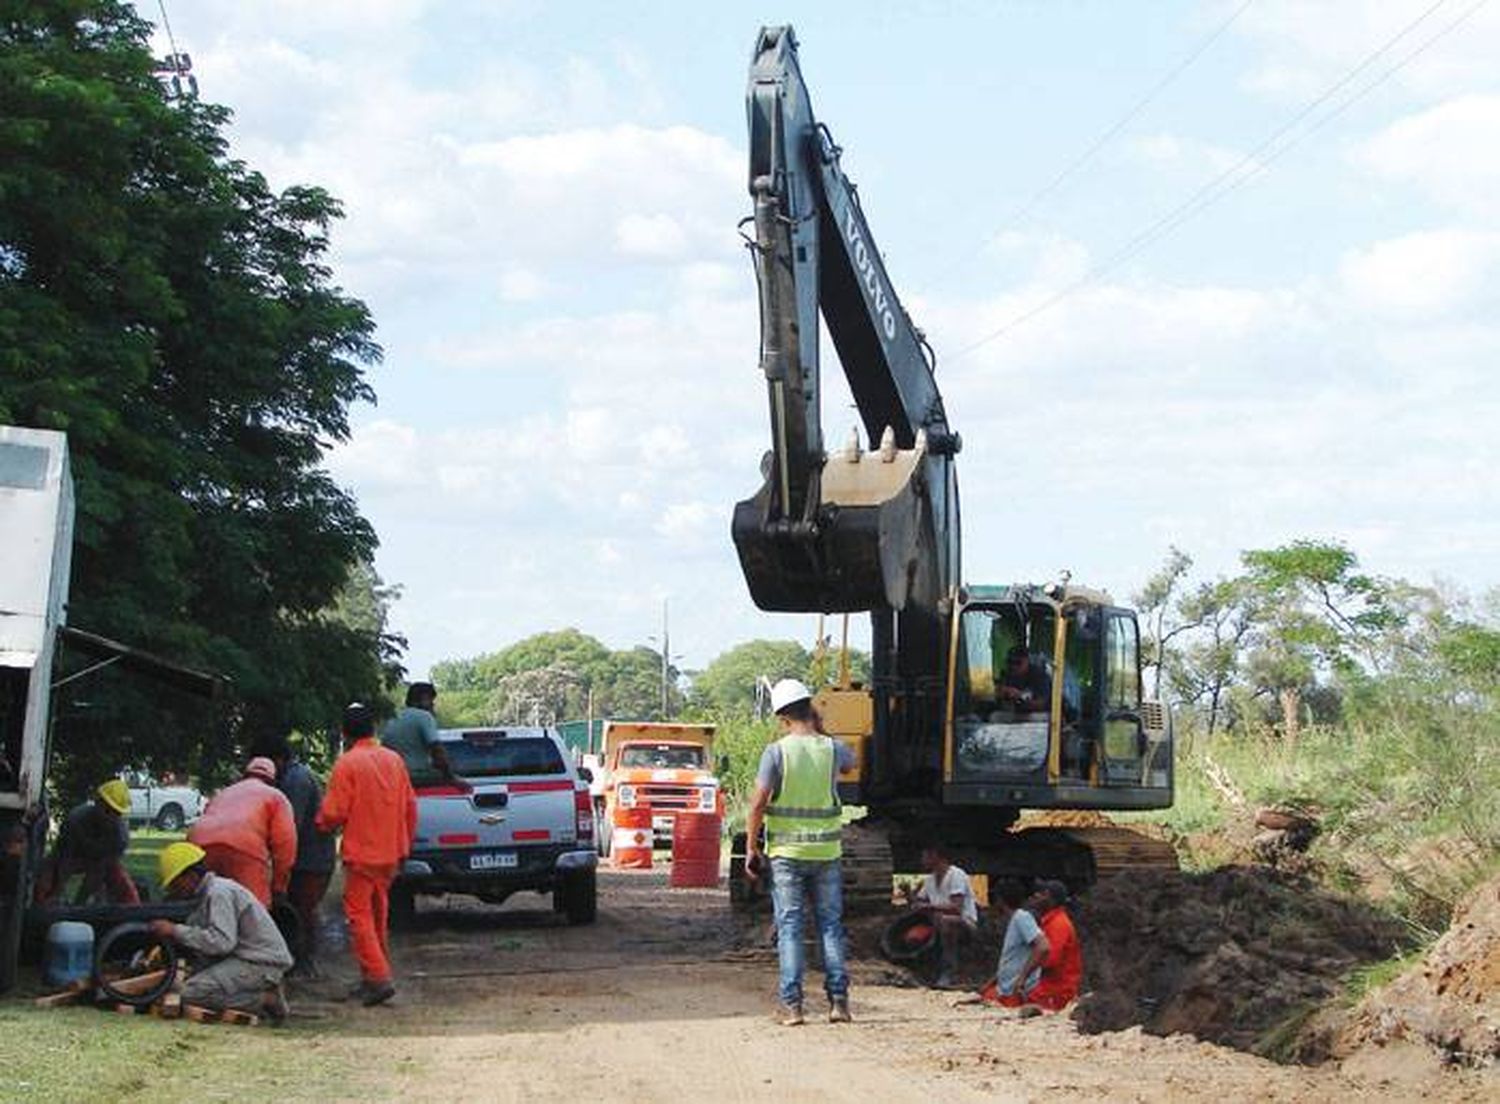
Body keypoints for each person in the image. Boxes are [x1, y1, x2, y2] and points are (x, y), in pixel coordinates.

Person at [745, 678, 856, 1026]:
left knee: (791, 927)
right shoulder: (833, 749)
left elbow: (758, 802)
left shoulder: (776, 752)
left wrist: (752, 847)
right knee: (830, 926)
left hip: (787, 854)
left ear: (781, 716)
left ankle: (792, 1007)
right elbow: (850, 765)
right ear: (811, 707)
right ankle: (839, 1003)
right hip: (826, 852)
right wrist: (822, 731)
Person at [316, 701, 417, 1007]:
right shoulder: (393, 760)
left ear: (345, 733)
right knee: (378, 915)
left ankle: (378, 977)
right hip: (390, 852)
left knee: (359, 916)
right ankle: (373, 974)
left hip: (362, 853)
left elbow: (334, 812)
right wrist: (404, 846)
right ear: (373, 728)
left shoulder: (348, 763)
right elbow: (411, 807)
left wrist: (320, 825)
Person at [149, 841, 293, 1021]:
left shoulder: (219, 893)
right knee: (189, 984)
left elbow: (221, 943)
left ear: (191, 876)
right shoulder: (208, 894)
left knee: (191, 992)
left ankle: (264, 1000)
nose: (174, 890)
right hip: (246, 958)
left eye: (176, 884)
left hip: (260, 963)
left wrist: (175, 931)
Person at [252, 733, 336, 977]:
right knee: (297, 909)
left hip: (311, 860)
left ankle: (306, 962)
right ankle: (296, 960)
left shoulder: (295, 781)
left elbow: (289, 827)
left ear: (277, 759)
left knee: (303, 911)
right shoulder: (290, 777)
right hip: (305, 857)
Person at [187, 757, 297, 907]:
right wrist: (279, 887)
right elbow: (285, 845)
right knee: (254, 913)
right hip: (244, 849)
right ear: (274, 779)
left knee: (205, 907)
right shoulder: (276, 797)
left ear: (244, 775)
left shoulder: (224, 792)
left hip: (198, 846)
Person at [35, 779, 139, 905]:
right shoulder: (75, 820)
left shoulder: (120, 838)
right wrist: (56, 892)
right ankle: (41, 907)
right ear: (97, 802)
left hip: (99, 862)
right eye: (107, 810)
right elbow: (63, 859)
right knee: (46, 873)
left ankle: (127, 911)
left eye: (116, 813)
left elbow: (101, 870)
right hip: (71, 856)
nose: (110, 817)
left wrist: (79, 904)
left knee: (121, 879)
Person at [912, 843, 979, 988]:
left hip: (965, 923)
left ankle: (950, 972)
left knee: (947, 921)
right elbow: (919, 901)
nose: (922, 860)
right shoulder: (930, 880)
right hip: (938, 923)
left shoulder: (956, 875)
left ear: (935, 856)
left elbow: (956, 907)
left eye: (925, 856)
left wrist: (928, 907)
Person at [982, 877, 1050, 1008]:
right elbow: (1013, 959)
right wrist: (990, 983)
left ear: (1000, 900)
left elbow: (1043, 947)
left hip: (1015, 992)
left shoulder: (1021, 918)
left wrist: (1022, 979)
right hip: (1006, 988)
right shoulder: (1015, 919)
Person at [381, 681, 454, 787]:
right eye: (430, 700)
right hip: (415, 776)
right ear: (422, 699)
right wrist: (451, 777)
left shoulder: (394, 717)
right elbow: (438, 752)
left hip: (391, 776)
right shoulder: (424, 716)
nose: (432, 705)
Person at [1027, 879, 1083, 1011]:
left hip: (1055, 990)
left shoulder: (1058, 924)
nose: (1037, 896)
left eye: (1042, 894)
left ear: (1051, 899)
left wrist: (1024, 970)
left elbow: (1050, 960)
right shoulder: (1051, 921)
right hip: (1049, 986)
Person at [999, 645, 1051, 713]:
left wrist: (1020, 696)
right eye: (1010, 662)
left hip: (1040, 715)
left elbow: (1042, 704)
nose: (1013, 666)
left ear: (1027, 661)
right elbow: (1004, 704)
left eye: (1018, 663)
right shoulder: (1008, 675)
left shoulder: (1039, 676)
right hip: (1016, 715)